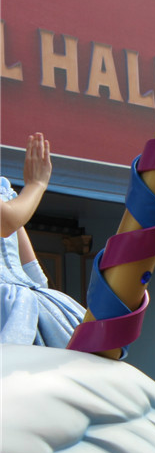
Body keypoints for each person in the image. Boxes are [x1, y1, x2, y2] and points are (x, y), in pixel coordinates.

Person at [0, 132, 85, 346]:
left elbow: (31, 270)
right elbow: (6, 222)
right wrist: (36, 184)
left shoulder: (3, 189)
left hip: (25, 305)